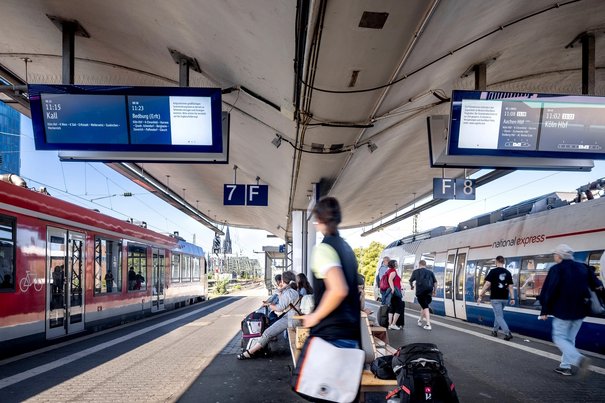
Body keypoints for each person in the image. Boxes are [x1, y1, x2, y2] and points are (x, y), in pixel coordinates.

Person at [303, 197, 361, 350]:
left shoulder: (323, 249)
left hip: (330, 337)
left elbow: (338, 290)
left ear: (320, 219)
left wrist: (315, 316)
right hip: (350, 333)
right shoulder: (347, 249)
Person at [538, 244, 598, 376]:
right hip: (581, 311)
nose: (554, 257)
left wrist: (544, 310)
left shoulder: (557, 269)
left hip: (563, 311)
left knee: (559, 337)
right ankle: (565, 366)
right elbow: (597, 285)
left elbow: (549, 291)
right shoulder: (583, 267)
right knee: (570, 339)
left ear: (559, 256)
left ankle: (579, 360)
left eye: (555, 254)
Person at [237, 271, 300, 359]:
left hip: (291, 319)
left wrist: (269, 305)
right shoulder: (290, 291)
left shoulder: (289, 292)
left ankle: (249, 353)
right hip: (291, 317)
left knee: (267, 333)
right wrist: (280, 292)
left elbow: (279, 308)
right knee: (269, 328)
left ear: (283, 280)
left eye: (281, 280)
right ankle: (256, 349)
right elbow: (284, 304)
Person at [477, 256, 514, 340]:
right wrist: (512, 298)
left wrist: (481, 294)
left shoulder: (493, 271)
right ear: (503, 262)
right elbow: (511, 287)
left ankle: (507, 333)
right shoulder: (508, 272)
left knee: (499, 316)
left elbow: (487, 284)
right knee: (498, 315)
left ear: (496, 262)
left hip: (495, 298)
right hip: (504, 298)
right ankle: (494, 331)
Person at [410, 260, 437, 330]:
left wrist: (412, 286)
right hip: (429, 292)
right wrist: (434, 291)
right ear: (425, 265)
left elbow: (410, 280)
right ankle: (420, 320)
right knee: (424, 306)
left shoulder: (415, 272)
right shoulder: (430, 272)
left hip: (420, 293)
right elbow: (435, 282)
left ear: (419, 264)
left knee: (425, 307)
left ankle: (428, 324)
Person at [385, 260, 404, 330]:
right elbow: (390, 280)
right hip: (395, 291)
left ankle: (390, 324)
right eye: (396, 263)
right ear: (393, 264)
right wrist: (393, 288)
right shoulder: (393, 271)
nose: (397, 264)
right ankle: (393, 324)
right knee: (399, 307)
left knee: (392, 307)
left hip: (392, 292)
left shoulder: (389, 271)